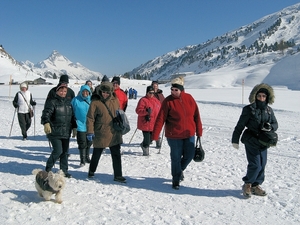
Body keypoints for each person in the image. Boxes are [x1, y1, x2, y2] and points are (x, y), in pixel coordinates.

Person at [152, 77, 203, 190]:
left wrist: (199, 131)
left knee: (189, 155)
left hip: (189, 133)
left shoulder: (189, 98)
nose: (173, 92)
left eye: (176, 90)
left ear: (181, 90)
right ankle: (176, 179)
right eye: (172, 89)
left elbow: (196, 116)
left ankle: (179, 170)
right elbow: (160, 118)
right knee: (175, 157)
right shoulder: (168, 101)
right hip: (173, 135)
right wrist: (155, 135)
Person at [232, 83, 278, 198]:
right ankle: (247, 184)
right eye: (259, 96)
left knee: (262, 165)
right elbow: (240, 125)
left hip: (264, 141)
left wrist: (270, 127)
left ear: (267, 97)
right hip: (251, 140)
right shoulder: (249, 109)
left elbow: (275, 124)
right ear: (255, 96)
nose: (261, 98)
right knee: (255, 165)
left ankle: (255, 185)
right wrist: (235, 139)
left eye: (264, 96)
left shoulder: (269, 110)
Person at [86, 81, 126, 183]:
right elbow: (90, 118)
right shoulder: (95, 102)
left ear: (111, 92)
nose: (105, 94)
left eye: (107, 92)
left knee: (116, 154)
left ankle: (118, 175)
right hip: (101, 132)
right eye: (103, 92)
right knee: (97, 153)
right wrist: (90, 131)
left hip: (114, 131)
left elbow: (119, 112)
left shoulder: (115, 99)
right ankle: (91, 171)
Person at [41, 83, 77, 178]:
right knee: (58, 151)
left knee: (65, 152)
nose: (63, 93)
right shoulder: (52, 101)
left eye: (65, 91)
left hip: (66, 131)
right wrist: (46, 123)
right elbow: (46, 114)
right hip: (54, 131)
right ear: (57, 91)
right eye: (61, 90)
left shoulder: (68, 102)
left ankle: (64, 171)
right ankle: (48, 168)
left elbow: (72, 116)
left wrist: (74, 127)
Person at [135, 86, 161, 156]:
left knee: (152, 138)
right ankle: (145, 148)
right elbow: (138, 110)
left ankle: (144, 144)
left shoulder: (156, 101)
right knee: (147, 139)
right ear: (147, 92)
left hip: (154, 123)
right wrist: (146, 111)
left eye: (153, 93)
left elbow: (160, 110)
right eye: (150, 93)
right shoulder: (143, 100)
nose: (151, 94)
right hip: (145, 123)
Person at [71, 84, 92, 167]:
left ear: (89, 92)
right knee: (82, 142)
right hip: (80, 124)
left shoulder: (92, 100)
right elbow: (71, 111)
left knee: (89, 142)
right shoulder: (75, 100)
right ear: (81, 92)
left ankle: (87, 157)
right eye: (83, 91)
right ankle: (82, 160)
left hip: (90, 125)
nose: (85, 93)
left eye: (87, 91)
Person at [151, 80, 165, 148]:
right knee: (150, 127)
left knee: (158, 127)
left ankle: (157, 141)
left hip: (159, 113)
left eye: (156, 86)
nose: (155, 87)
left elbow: (164, 102)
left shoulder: (160, 94)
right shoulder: (150, 93)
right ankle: (150, 139)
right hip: (151, 113)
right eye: (154, 86)